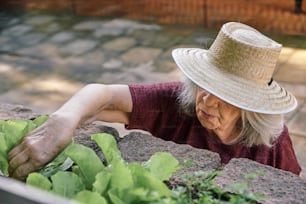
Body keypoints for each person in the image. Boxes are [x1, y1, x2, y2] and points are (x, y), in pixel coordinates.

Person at [8, 22, 302, 180]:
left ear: (250, 106)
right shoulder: (178, 104)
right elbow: (104, 96)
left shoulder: (274, 140)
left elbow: (291, 189)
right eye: (205, 85)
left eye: (227, 97)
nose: (207, 100)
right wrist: (63, 121)